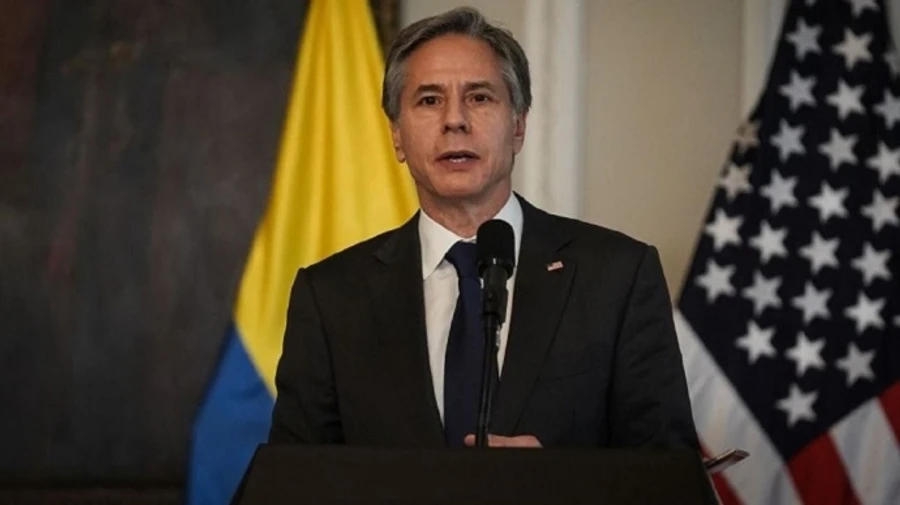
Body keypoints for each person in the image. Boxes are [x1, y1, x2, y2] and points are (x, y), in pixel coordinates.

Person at [267, 6, 699, 450]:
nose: (455, 120)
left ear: (518, 126)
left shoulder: (617, 278)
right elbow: (294, 478)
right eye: (429, 100)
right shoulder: (332, 297)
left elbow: (669, 473)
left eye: (479, 97)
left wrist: (562, 480)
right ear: (397, 135)